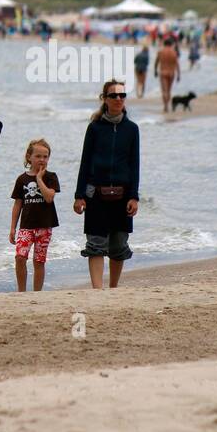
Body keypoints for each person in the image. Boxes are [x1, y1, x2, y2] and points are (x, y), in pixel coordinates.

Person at [73, 79, 140, 289]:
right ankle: (97, 291)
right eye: (114, 95)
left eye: (122, 95)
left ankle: (113, 288)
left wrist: (134, 196)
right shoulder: (94, 128)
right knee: (95, 245)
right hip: (95, 194)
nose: (119, 99)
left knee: (119, 246)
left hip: (123, 196)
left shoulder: (132, 129)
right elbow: (85, 162)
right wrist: (79, 195)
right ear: (105, 99)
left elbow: (134, 164)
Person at [9, 138, 61, 292]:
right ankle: (21, 291)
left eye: (45, 157)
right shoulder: (22, 179)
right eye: (38, 156)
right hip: (26, 226)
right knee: (20, 257)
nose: (42, 160)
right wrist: (13, 228)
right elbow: (18, 203)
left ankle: (37, 293)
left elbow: (49, 197)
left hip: (45, 225)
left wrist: (39, 179)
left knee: (39, 261)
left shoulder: (51, 177)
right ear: (29, 157)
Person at [153, 37, 180, 113]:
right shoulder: (174, 52)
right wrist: (179, 75)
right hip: (171, 73)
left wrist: (155, 71)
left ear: (164, 44)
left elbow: (156, 62)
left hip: (163, 73)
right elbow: (177, 64)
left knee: (164, 90)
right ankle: (167, 104)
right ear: (171, 44)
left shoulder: (160, 52)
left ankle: (166, 106)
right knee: (168, 90)